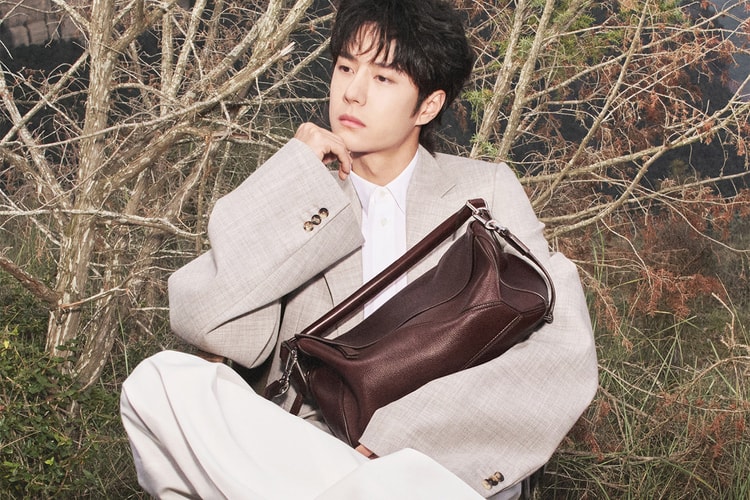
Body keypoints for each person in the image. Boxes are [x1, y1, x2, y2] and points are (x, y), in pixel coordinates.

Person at [120, 0, 599, 498]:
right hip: (311, 457)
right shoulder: (307, 193)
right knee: (161, 382)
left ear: (428, 106)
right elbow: (213, 324)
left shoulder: (486, 191)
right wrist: (295, 175)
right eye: (346, 68)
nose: (353, 91)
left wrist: (400, 436)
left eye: (383, 78)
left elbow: (563, 346)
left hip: (433, 465)